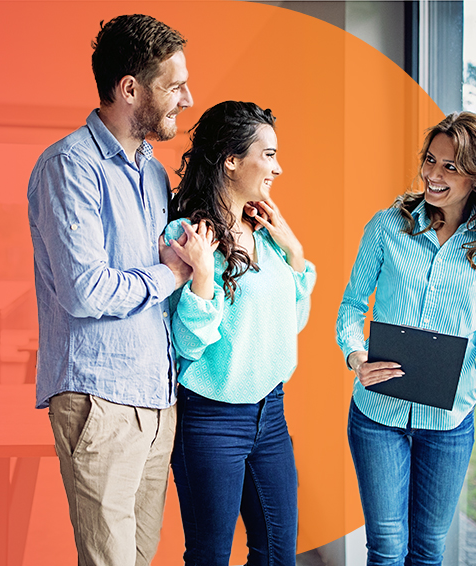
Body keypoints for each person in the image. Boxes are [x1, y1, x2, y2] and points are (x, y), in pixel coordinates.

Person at [336, 111, 476, 565]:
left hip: (449, 423)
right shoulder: (387, 226)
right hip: (379, 414)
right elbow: (351, 308)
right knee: (386, 545)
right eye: (430, 160)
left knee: (428, 549)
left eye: (450, 167)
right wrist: (356, 357)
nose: (433, 175)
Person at [26, 14, 193, 566]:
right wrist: (171, 274)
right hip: (100, 397)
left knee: (139, 557)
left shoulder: (153, 174)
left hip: (155, 395)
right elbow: (84, 290)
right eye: (174, 85)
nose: (186, 99)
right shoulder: (70, 166)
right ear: (130, 89)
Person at [164, 101, 316, 565]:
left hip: (271, 413)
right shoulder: (185, 235)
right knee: (210, 557)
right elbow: (188, 346)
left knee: (276, 555)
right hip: (211, 420)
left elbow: (292, 323)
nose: (277, 167)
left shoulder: (265, 231)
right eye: (267, 154)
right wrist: (204, 278)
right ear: (231, 160)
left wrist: (295, 252)